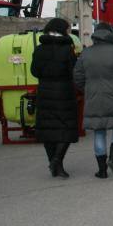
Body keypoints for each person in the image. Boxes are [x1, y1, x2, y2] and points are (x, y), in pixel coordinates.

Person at [73, 23, 113, 179]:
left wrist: (86, 89)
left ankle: (102, 170)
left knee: (99, 131)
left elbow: (77, 76)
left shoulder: (86, 53)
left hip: (93, 96)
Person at [31, 18, 78, 178]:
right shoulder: (67, 49)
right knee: (67, 128)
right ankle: (57, 160)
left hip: (44, 92)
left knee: (48, 130)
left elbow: (34, 71)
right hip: (64, 92)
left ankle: (54, 163)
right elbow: (74, 71)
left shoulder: (39, 49)